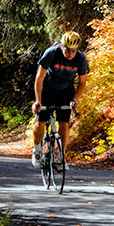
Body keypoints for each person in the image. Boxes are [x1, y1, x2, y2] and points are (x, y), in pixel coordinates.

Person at [31, 30, 89, 168]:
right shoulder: (51, 53)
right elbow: (39, 79)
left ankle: (61, 155)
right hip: (47, 91)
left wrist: (74, 100)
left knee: (64, 124)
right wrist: (38, 101)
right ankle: (37, 150)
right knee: (41, 122)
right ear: (62, 46)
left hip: (65, 92)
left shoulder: (80, 59)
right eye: (67, 50)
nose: (70, 54)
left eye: (73, 51)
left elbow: (82, 83)